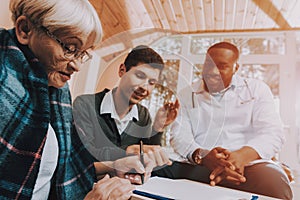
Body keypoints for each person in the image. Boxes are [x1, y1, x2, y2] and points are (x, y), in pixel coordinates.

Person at [0, 0, 147, 199]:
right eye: (69, 48)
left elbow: (55, 171)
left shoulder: (53, 91)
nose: (77, 66)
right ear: (25, 30)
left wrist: (114, 166)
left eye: (83, 54)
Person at [153, 42, 293, 199]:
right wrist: (202, 155)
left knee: (275, 181)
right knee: (156, 170)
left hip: (246, 166)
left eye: (222, 66)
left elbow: (272, 133)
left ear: (236, 68)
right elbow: (179, 136)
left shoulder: (256, 89)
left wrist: (239, 158)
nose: (212, 71)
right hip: (201, 163)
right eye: (209, 64)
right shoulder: (187, 94)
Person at [73, 45, 178, 169]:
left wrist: (158, 127)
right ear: (122, 70)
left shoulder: (143, 115)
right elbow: (82, 155)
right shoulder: (85, 105)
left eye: (152, 83)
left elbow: (149, 160)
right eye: (140, 76)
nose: (144, 88)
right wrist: (128, 151)